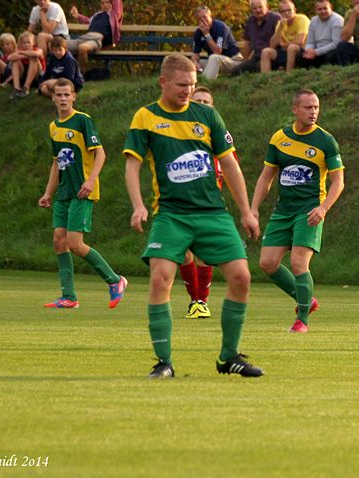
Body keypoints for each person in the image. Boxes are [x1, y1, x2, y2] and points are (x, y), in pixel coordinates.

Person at [123, 54, 263, 379]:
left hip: (213, 213)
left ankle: (229, 358)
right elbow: (132, 165)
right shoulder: (146, 117)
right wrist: (138, 205)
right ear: (163, 82)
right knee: (160, 279)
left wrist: (246, 211)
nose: (188, 90)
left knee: (242, 276)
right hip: (171, 214)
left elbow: (229, 164)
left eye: (193, 84)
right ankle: (164, 362)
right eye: (182, 85)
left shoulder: (207, 115)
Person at [251, 89, 344, 333]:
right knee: (267, 263)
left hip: (309, 211)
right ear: (295, 109)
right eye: (308, 107)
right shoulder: (279, 138)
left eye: (316, 107)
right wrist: (253, 209)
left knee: (298, 263)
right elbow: (266, 178)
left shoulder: (326, 141)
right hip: (283, 211)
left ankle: (302, 319)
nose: (313, 112)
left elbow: (338, 181)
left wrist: (323, 209)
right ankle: (307, 299)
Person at [38, 78, 127, 310]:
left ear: (74, 96)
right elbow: (57, 163)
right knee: (59, 240)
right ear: (53, 97)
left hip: (82, 191)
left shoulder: (83, 120)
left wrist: (90, 180)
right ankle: (69, 297)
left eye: (67, 94)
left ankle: (116, 280)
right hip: (64, 193)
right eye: (59, 95)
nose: (63, 99)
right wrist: (48, 192)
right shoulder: (54, 127)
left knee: (75, 243)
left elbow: (101, 154)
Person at [178, 86, 236, 320]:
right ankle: (196, 299)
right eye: (197, 100)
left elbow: (232, 167)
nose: (202, 104)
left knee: (202, 254)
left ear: (212, 106)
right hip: (179, 203)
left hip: (208, 205)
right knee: (183, 253)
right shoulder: (178, 132)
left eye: (206, 101)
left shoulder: (219, 134)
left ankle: (200, 301)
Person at [68, 0, 123, 71]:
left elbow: (117, 2)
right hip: (84, 38)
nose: (105, 5)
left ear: (111, 3)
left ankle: (81, 73)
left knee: (82, 48)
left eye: (107, 2)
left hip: (96, 40)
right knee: (59, 44)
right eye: (103, 3)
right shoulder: (97, 15)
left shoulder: (114, 15)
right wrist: (78, 16)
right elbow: (88, 21)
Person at [191, 5, 244, 80]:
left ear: (210, 17)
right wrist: (195, 62)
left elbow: (217, 51)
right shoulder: (198, 33)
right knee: (191, 63)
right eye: (199, 19)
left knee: (214, 58)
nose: (202, 20)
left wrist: (207, 34)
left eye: (204, 17)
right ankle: (193, 82)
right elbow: (195, 54)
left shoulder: (220, 27)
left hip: (234, 61)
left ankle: (205, 84)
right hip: (215, 62)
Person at [260, 0, 310, 73]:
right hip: (286, 53)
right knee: (266, 51)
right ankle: (265, 80)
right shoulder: (281, 24)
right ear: (280, 13)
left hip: (302, 52)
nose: (287, 13)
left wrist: (284, 45)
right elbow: (272, 45)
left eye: (289, 10)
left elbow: (300, 41)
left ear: (295, 10)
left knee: (291, 47)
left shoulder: (302, 19)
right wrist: (280, 28)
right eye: (283, 11)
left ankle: (289, 75)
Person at [234, 0, 281, 74]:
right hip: (256, 57)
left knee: (259, 67)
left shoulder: (275, 18)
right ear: (251, 10)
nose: (258, 10)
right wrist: (244, 60)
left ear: (266, 7)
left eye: (260, 7)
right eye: (254, 8)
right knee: (236, 71)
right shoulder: (250, 21)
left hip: (272, 56)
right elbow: (248, 43)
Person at [300, 0, 344, 68]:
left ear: (331, 8)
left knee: (330, 56)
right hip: (317, 51)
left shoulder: (337, 20)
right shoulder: (313, 21)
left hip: (332, 50)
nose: (323, 11)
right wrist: (309, 50)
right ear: (315, 10)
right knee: (303, 58)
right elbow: (310, 42)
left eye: (325, 8)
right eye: (319, 9)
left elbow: (336, 43)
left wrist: (316, 52)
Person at [9, 31, 46, 98]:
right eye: (24, 43)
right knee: (15, 62)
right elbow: (10, 58)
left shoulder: (38, 49)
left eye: (28, 42)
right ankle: (16, 88)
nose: (26, 45)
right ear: (21, 44)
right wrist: (24, 54)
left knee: (34, 59)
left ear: (33, 43)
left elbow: (36, 54)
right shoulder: (19, 51)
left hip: (38, 76)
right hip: (24, 74)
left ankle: (26, 88)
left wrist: (21, 53)